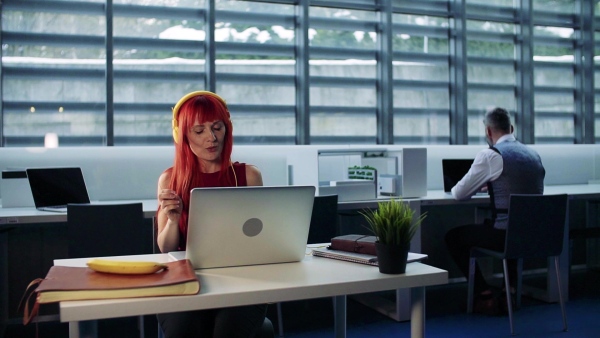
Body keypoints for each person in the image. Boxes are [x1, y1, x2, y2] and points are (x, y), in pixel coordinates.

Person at [156, 90, 267, 337]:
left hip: (241, 279)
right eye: (199, 131)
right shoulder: (170, 179)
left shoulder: (248, 176)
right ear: (182, 135)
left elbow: (260, 239)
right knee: (184, 330)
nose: (212, 138)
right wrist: (173, 220)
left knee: (227, 330)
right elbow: (165, 247)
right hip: (186, 279)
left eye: (217, 128)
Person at [444, 107, 545, 315]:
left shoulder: (491, 155)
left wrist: (483, 181)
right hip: (533, 235)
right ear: (512, 128)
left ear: (488, 132)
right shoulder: (534, 155)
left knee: (453, 237)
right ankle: (510, 290)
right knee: (508, 224)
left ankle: (484, 295)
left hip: (504, 236)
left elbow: (458, 194)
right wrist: (491, 183)